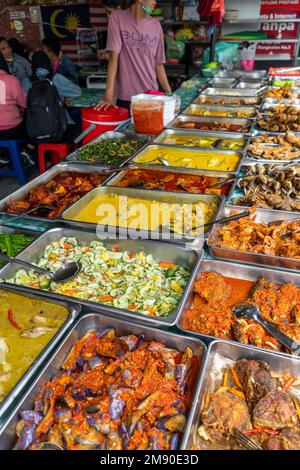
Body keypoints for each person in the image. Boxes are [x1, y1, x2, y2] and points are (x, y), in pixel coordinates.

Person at [95, 0, 172, 111]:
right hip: (126, 96)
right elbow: (113, 57)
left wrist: (170, 95)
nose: (155, 2)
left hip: (151, 95)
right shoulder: (117, 18)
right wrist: (108, 94)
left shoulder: (156, 25)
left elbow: (159, 64)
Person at [23, 51, 82, 143]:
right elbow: (77, 91)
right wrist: (64, 96)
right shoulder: (56, 77)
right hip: (62, 130)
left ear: (33, 65)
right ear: (47, 62)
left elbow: (25, 103)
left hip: (35, 133)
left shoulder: (26, 81)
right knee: (80, 127)